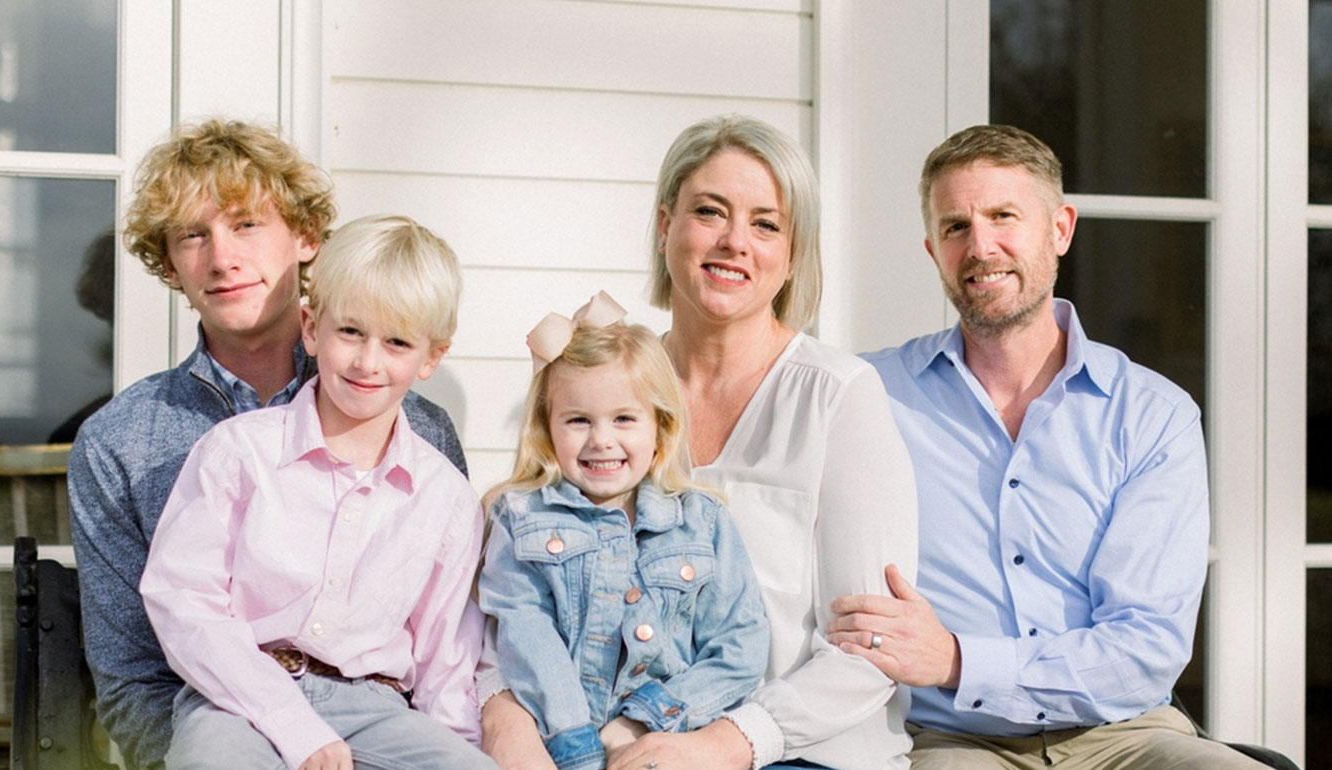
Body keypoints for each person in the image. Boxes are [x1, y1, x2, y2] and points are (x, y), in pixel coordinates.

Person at [481, 114, 919, 770]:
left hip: (800, 754)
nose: (735, 241)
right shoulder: (605, 397)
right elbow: (520, 589)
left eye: (766, 223)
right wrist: (504, 715)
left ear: (793, 253)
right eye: (710, 212)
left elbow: (869, 649)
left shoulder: (836, 395)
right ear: (665, 228)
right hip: (606, 745)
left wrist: (727, 742)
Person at [833, 124, 1265, 768]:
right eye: (955, 227)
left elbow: (1144, 648)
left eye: (1004, 216)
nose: (981, 246)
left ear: (1060, 228)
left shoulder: (1154, 416)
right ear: (932, 250)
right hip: (951, 738)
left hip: (1129, 734)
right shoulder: (868, 395)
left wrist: (957, 659)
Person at [67, 120, 467, 770]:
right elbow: (133, 678)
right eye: (193, 236)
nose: (222, 258)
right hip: (215, 731)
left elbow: (440, 645)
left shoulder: (416, 431)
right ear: (169, 262)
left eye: (246, 223)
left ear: (306, 237)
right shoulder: (120, 443)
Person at [140, 214, 492, 770]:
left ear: (431, 357)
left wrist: (456, 750)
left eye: (397, 342)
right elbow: (182, 599)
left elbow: (445, 657)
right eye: (350, 331)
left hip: (379, 710)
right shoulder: (238, 453)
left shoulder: (443, 497)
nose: (367, 362)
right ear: (311, 326)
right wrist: (293, 726)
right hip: (239, 696)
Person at [477, 292, 770, 770]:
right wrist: (577, 743)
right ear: (547, 428)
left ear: (661, 426)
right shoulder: (521, 517)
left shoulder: (703, 520)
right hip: (557, 746)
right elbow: (526, 635)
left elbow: (740, 645)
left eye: (624, 419)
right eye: (578, 420)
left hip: (671, 744)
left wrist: (643, 721)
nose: (601, 440)